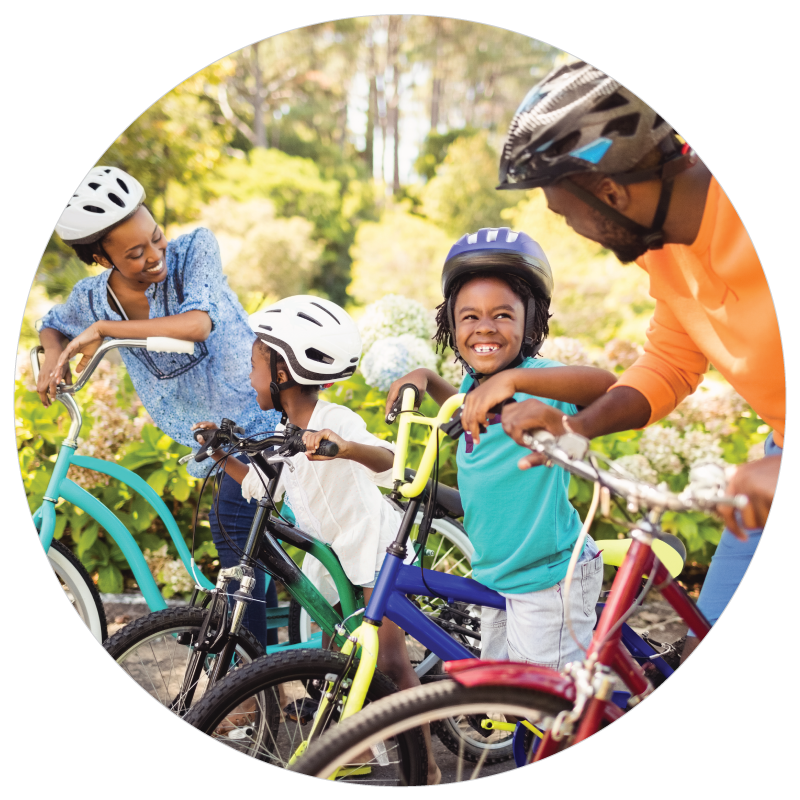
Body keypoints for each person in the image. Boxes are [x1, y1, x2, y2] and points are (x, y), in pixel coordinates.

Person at [492, 61, 785, 659]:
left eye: (563, 211)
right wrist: (577, 428)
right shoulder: (667, 251)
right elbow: (670, 364)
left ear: (611, 192)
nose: (572, 229)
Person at [192, 295, 441, 784]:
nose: (249, 377)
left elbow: (387, 457)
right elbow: (268, 487)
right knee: (337, 657)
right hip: (329, 560)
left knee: (389, 661)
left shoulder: (335, 418)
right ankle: (357, 748)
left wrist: (340, 445)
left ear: (282, 371)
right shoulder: (287, 432)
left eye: (254, 366)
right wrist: (222, 453)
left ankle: (427, 767)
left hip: (371, 550)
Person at [38, 166, 282, 647]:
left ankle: (256, 683)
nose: (154, 256)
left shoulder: (195, 251)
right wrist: (51, 361)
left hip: (266, 418)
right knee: (243, 542)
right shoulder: (93, 297)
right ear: (98, 257)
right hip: (215, 440)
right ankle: (266, 662)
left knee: (233, 528)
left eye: (155, 239)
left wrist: (106, 331)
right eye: (135, 253)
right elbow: (54, 323)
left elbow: (197, 325)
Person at [385, 228, 618, 670]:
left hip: (548, 577)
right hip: (497, 574)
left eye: (503, 315)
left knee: (549, 710)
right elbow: (468, 410)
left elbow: (608, 387)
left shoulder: (540, 380)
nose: (485, 327)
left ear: (530, 322)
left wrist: (517, 380)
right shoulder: (476, 384)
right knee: (505, 697)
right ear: (451, 325)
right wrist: (427, 378)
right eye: (469, 317)